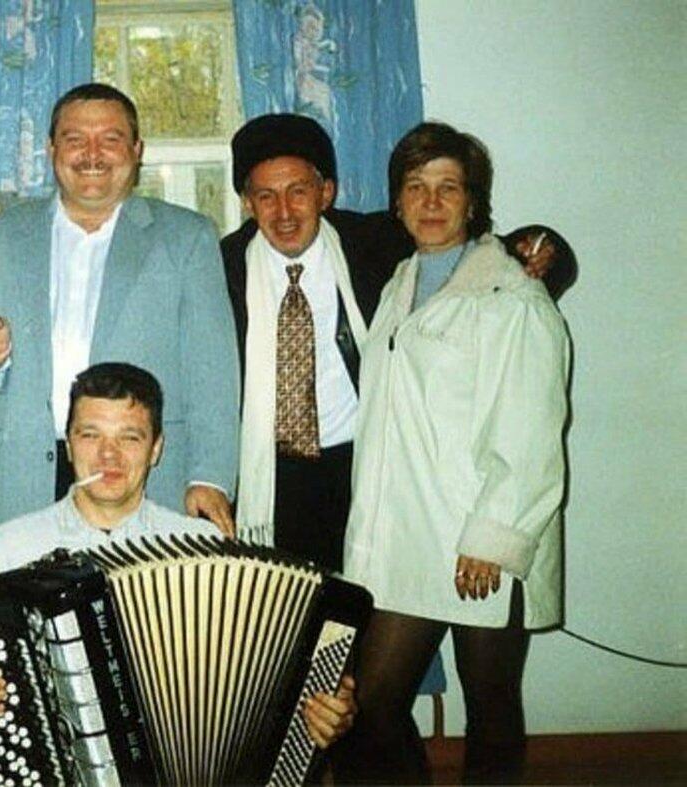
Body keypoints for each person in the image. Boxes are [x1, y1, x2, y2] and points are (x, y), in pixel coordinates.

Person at [0, 362, 356, 752]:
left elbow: (273, 666)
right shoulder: (10, 546)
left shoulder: (204, 547)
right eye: (90, 435)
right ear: (69, 445)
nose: (108, 455)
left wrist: (324, 707)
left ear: (156, 449)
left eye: (129, 437)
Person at [221, 113, 572, 570]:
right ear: (247, 202)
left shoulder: (373, 241)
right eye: (266, 196)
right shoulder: (220, 268)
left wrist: (545, 249)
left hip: (362, 467)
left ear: (326, 192)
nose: (284, 212)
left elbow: (474, 252)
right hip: (265, 477)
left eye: (299, 191)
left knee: (362, 605)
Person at [338, 122, 570, 784]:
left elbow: (531, 430)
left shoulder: (513, 297)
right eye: (416, 187)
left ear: (473, 201)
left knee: (490, 707)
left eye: (448, 187)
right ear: (397, 201)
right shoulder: (399, 283)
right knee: (373, 702)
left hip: (481, 538)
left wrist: (492, 537)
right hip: (410, 537)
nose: (431, 202)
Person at [0, 83, 240, 537]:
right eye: (75, 139)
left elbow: (213, 372)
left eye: (110, 139)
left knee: (137, 587)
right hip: (22, 479)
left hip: (144, 478)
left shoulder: (187, 237)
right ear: (51, 150)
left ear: (136, 151)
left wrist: (210, 477)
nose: (92, 154)